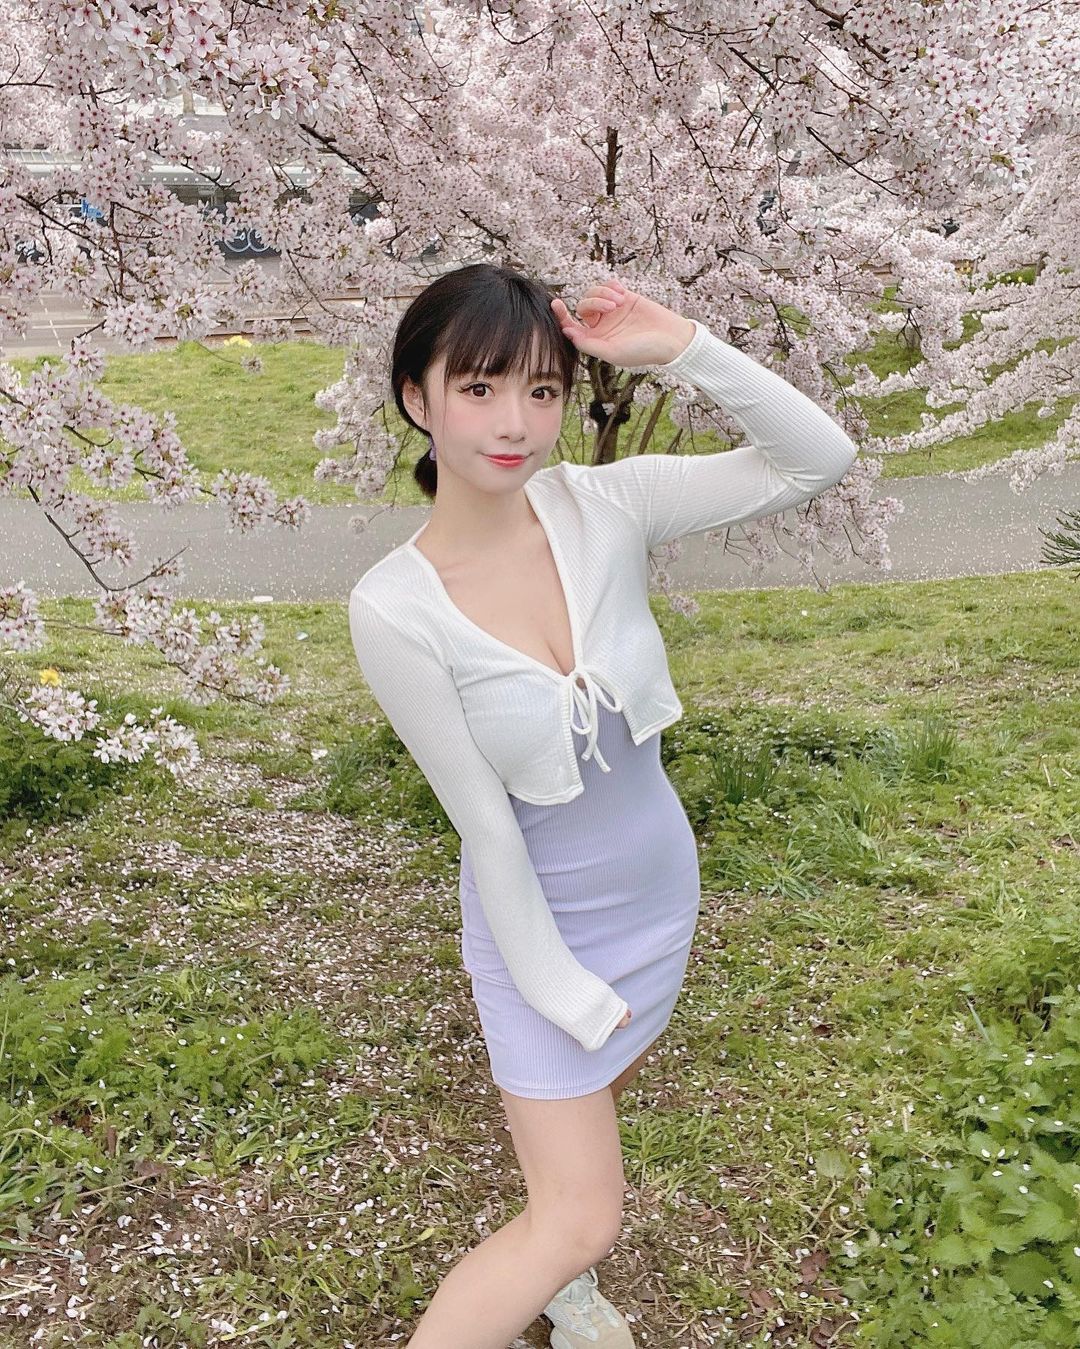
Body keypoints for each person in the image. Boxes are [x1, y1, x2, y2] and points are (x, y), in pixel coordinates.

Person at [348, 264, 859, 1348]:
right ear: (416, 398)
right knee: (581, 1214)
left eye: (542, 390)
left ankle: (558, 1274)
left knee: (584, 1137)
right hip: (542, 931)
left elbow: (820, 457)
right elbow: (484, 825)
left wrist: (681, 345)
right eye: (479, 388)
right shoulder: (395, 607)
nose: (516, 422)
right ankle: (561, 1264)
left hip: (657, 897)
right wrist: (559, 988)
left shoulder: (607, 505)